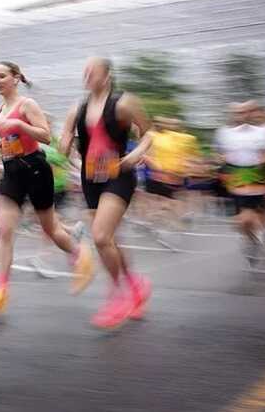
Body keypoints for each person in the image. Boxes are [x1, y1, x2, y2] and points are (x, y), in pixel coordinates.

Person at [0, 61, 94, 316]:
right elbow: (10, 136)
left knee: (50, 228)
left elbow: (44, 135)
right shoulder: (1, 106)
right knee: (4, 232)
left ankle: (79, 254)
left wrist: (20, 125)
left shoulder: (27, 104)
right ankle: (1, 292)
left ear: (15, 78)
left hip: (35, 168)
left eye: (2, 76)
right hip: (11, 171)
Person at [59, 57, 153, 330]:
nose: (86, 74)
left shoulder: (124, 103)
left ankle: (117, 295)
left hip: (119, 174)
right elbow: (65, 139)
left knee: (100, 236)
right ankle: (136, 285)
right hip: (90, 179)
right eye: (84, 70)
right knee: (109, 239)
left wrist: (136, 154)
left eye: (92, 70)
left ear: (108, 74)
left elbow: (148, 133)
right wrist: (64, 146)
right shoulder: (78, 108)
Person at [215, 101, 265, 264]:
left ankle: (256, 239)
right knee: (241, 222)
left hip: (257, 176)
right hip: (235, 175)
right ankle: (252, 240)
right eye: (238, 112)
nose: (242, 115)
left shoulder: (264, 132)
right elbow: (219, 153)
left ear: (252, 113)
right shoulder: (224, 133)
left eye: (245, 112)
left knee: (248, 218)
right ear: (232, 114)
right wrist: (221, 159)